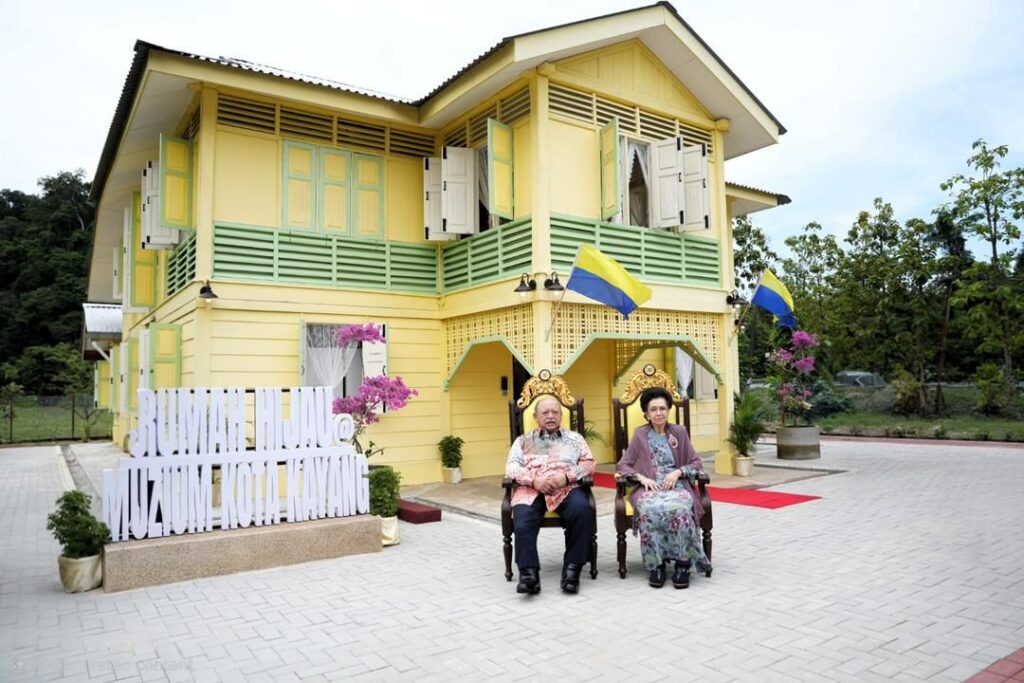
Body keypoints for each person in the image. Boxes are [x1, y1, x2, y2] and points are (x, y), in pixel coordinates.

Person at [617, 386, 711, 588]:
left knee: (681, 508)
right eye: (653, 409)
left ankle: (683, 564)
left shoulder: (679, 432)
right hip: (650, 488)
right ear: (646, 413)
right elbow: (623, 465)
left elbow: (696, 463)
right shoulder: (640, 434)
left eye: (662, 408)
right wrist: (641, 478)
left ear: (668, 410)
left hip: (677, 485)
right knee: (648, 508)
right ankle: (656, 564)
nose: (658, 413)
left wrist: (677, 472)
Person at [505, 395, 595, 595]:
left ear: (561, 415)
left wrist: (567, 476)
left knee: (581, 510)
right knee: (523, 517)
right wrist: (533, 480)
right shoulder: (523, 441)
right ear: (536, 417)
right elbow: (511, 468)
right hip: (531, 488)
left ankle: (572, 570)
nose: (550, 416)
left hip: (566, 487)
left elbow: (589, 463)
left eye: (555, 412)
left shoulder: (575, 439)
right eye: (545, 412)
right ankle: (528, 574)